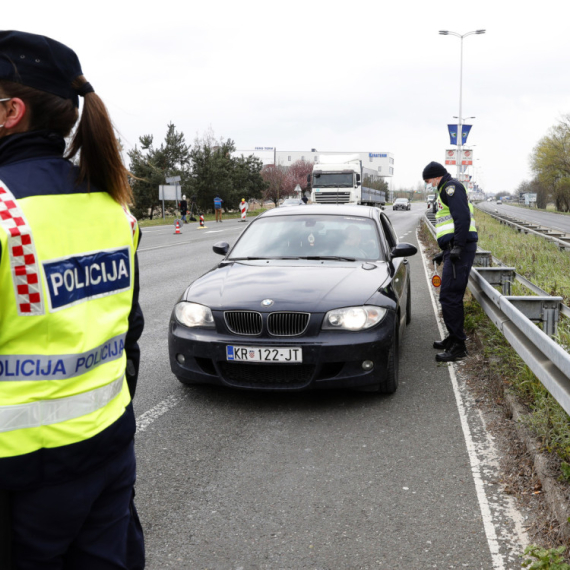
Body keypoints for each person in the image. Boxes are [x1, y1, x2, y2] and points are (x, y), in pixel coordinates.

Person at [0, 31, 145, 568]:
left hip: (20, 477)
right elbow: (129, 334)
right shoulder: (112, 205)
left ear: (10, 111)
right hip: (106, 453)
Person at [423, 161, 478, 363]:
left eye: (429, 181)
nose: (429, 184)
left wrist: (458, 247)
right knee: (449, 296)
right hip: (454, 248)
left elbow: (462, 218)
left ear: (436, 176)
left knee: (450, 297)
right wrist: (445, 250)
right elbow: (449, 224)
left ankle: (458, 346)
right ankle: (453, 338)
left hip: (460, 250)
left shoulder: (450, 188)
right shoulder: (445, 189)